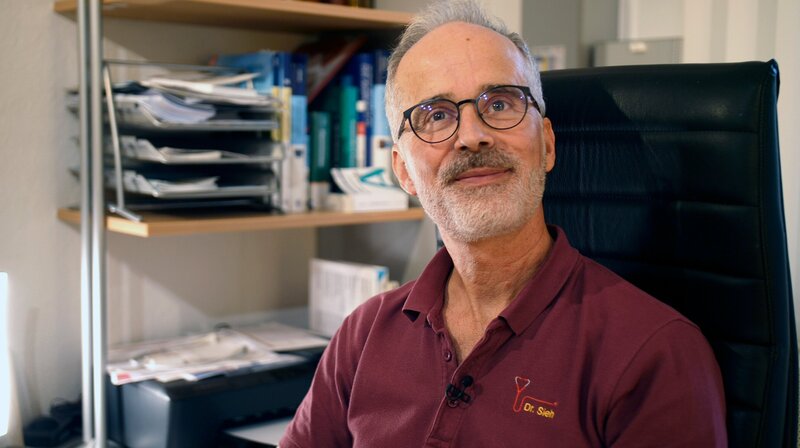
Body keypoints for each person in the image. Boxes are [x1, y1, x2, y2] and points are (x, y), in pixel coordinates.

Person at [280, 0, 727, 446]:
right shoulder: (363, 334)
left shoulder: (654, 353)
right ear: (403, 171)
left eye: (499, 103)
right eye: (436, 115)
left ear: (547, 144)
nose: (472, 136)